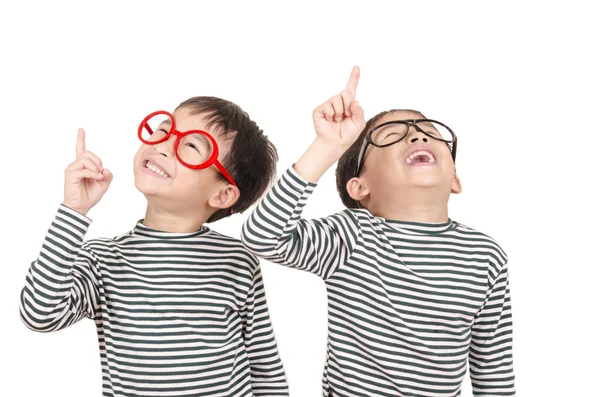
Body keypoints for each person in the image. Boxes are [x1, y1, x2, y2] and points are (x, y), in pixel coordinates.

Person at [241, 67, 515, 396]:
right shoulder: (352, 236)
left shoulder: (485, 255)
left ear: (455, 178)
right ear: (359, 187)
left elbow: (492, 363)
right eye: (390, 136)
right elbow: (262, 236)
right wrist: (327, 146)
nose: (418, 136)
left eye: (427, 132)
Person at [20, 96, 289, 396]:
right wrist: (74, 211)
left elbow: (264, 367)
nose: (162, 145)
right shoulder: (102, 260)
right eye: (164, 130)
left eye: (190, 146)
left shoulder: (238, 260)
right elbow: (39, 314)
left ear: (223, 195)